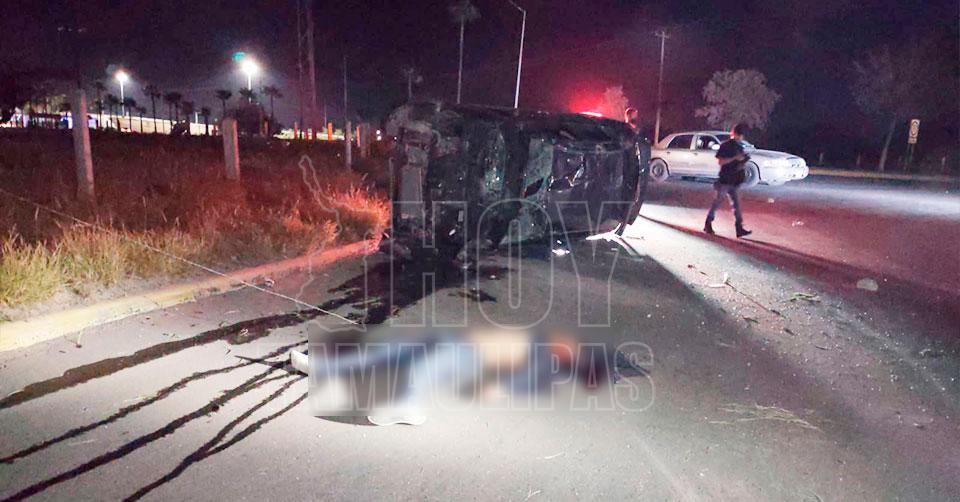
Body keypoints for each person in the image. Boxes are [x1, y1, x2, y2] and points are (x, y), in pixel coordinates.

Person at [704, 123, 752, 237]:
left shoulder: (739, 147)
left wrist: (743, 161)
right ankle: (708, 223)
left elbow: (739, 163)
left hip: (735, 180)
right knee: (717, 202)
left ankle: (739, 228)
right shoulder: (725, 145)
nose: (740, 138)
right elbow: (721, 162)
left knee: (736, 205)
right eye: (739, 135)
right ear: (734, 134)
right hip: (725, 180)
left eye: (741, 136)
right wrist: (735, 158)